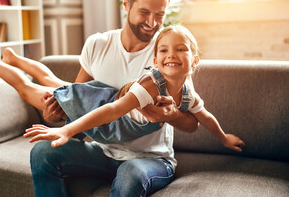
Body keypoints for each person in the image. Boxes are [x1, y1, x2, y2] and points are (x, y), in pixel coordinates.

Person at [0, 0, 198, 196]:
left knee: (130, 172)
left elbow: (191, 123)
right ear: (126, 5)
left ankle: (3, 62)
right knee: (43, 151)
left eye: (160, 14)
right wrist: (54, 118)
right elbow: (77, 99)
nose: (152, 22)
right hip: (103, 151)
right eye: (144, 12)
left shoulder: (167, 53)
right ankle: (3, 61)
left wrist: (171, 115)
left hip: (149, 159)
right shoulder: (98, 45)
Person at [23, 24, 246, 151]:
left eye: (181, 49)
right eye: (164, 50)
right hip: (106, 108)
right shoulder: (151, 86)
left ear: (195, 60)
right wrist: (66, 130)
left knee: (53, 82)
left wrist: (224, 137)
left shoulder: (188, 94)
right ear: (156, 61)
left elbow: (205, 118)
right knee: (38, 90)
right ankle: (4, 64)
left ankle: (11, 61)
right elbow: (112, 111)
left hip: (117, 113)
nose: (172, 55)